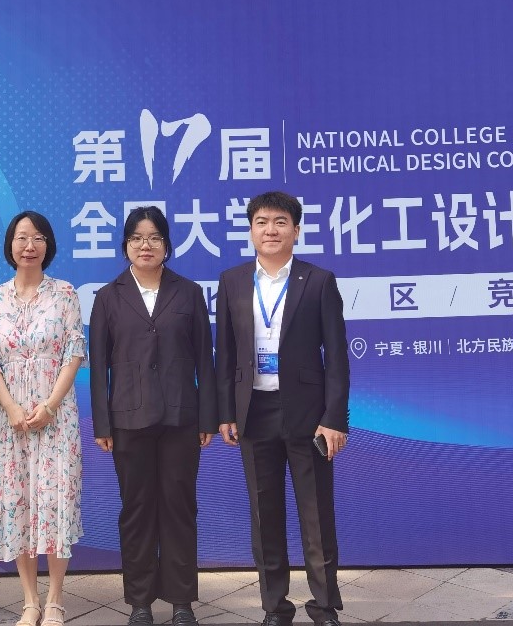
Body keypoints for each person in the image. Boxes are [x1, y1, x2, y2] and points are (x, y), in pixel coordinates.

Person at [215, 191, 350, 626]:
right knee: (264, 515)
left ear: (296, 230)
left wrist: (334, 418)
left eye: (279, 222)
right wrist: (225, 412)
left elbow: (337, 357)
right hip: (253, 412)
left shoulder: (319, 280)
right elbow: (225, 353)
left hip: (309, 416)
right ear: (250, 230)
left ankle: (324, 606)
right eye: (261, 222)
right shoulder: (233, 281)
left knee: (316, 514)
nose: (270, 230)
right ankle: (275, 607)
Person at [89, 207, 216, 626]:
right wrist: (103, 424)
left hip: (182, 418)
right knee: (137, 509)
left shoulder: (188, 292)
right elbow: (99, 366)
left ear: (167, 245)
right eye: (137, 238)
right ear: (126, 245)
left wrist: (208, 418)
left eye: (154, 237)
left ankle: (182, 601)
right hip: (128, 421)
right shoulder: (108, 297)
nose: (146, 245)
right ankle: (140, 601)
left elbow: (205, 359)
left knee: (179, 507)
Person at [0, 212, 84, 626]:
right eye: (22, 237)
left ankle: (55, 598)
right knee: (18, 503)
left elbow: (74, 353)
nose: (29, 246)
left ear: (48, 245)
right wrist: (11, 407)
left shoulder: (65, 293)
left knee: (55, 502)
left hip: (56, 418)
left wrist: (50, 406)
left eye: (38, 238)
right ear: (10, 244)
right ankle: (29, 600)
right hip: (11, 420)